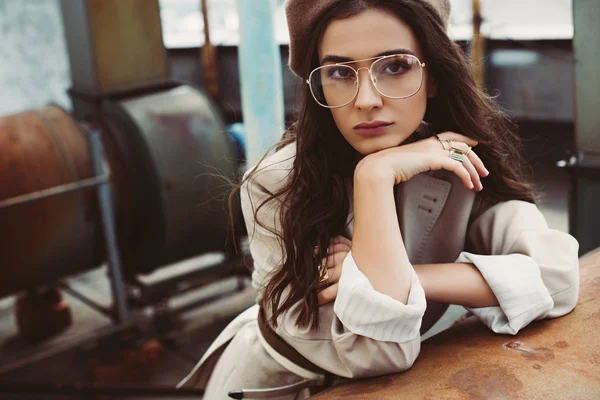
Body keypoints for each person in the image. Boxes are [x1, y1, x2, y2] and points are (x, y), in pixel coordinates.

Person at [179, 0, 580, 398]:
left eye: (395, 66)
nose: (367, 99)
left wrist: (414, 276)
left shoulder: (454, 164)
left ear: (434, 75)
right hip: (275, 382)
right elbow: (379, 351)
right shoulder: (276, 184)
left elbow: (557, 278)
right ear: (318, 85)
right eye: (339, 71)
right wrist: (374, 176)